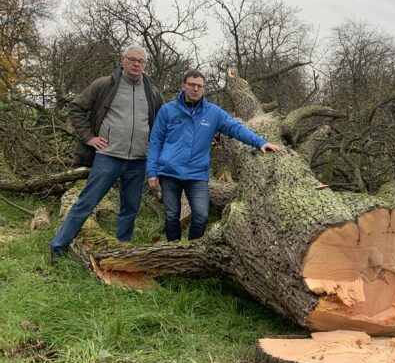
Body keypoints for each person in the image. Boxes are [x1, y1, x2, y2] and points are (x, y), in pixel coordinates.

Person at [50, 45, 164, 261]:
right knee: (87, 202)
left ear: (145, 65)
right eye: (132, 59)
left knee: (130, 208)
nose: (136, 64)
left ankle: (120, 251)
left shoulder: (152, 91)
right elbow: (76, 108)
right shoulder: (105, 84)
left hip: (139, 160)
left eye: (140, 61)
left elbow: (161, 120)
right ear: (122, 60)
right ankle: (57, 247)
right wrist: (89, 138)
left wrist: (154, 143)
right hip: (108, 156)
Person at [146, 69, 282, 242]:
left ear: (203, 89)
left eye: (199, 86)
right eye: (191, 85)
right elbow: (155, 142)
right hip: (169, 172)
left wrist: (260, 142)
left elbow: (236, 128)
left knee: (201, 216)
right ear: (183, 86)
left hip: (197, 173)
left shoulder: (213, 113)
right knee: (172, 217)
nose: (195, 89)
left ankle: (192, 252)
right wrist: (152, 172)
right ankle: (175, 252)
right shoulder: (167, 111)